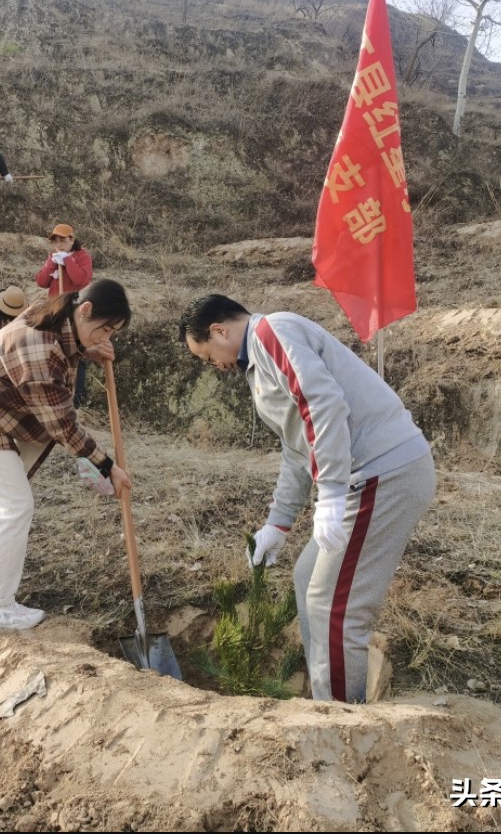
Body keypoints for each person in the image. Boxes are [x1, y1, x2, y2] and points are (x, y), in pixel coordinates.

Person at [178, 295, 436, 703]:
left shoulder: (272, 332)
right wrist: (277, 523)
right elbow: (296, 447)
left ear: (218, 331)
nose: (216, 366)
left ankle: (338, 722)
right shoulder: (260, 364)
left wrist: (331, 492)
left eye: (208, 357)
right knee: (306, 578)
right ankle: (325, 696)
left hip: (382, 472)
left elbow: (323, 405)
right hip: (361, 477)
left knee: (333, 609)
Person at [0, 279, 133, 635]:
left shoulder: (55, 317)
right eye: (104, 328)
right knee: (13, 507)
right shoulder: (39, 347)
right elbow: (61, 424)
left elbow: (64, 349)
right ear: (86, 310)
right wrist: (107, 466)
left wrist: (87, 349)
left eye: (114, 332)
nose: (106, 336)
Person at [35, 223, 93, 404]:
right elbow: (41, 281)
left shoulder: (83, 256)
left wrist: (68, 261)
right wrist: (52, 263)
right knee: (51, 350)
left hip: (73, 311)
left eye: (62, 240)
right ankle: (52, 392)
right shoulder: (53, 257)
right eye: (55, 241)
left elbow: (81, 280)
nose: (58, 245)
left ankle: (75, 398)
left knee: (76, 353)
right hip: (53, 310)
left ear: (71, 239)